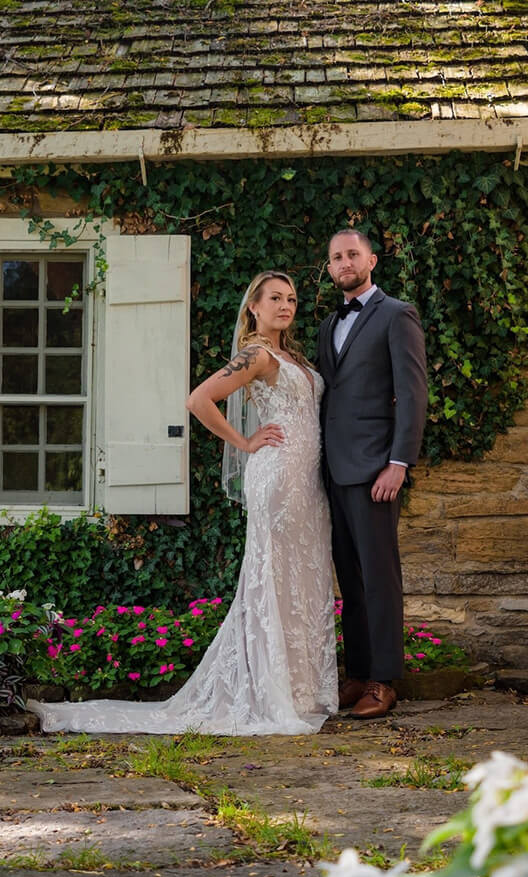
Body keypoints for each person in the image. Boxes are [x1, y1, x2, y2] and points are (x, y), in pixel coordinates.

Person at [27, 270, 338, 736]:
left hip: (307, 482)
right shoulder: (256, 353)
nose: (285, 305)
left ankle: (301, 689)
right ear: (254, 306)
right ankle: (273, 693)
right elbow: (199, 400)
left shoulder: (289, 354)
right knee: (274, 577)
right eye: (275, 298)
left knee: (303, 575)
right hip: (277, 479)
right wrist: (245, 441)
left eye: (291, 299)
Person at [316, 229, 428, 720]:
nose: (344, 262)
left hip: (376, 469)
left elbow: (413, 393)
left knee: (380, 578)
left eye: (352, 254)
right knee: (351, 581)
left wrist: (398, 463)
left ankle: (383, 681)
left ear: (371, 260)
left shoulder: (395, 315)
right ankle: (358, 673)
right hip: (333, 470)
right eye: (336, 256)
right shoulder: (326, 325)